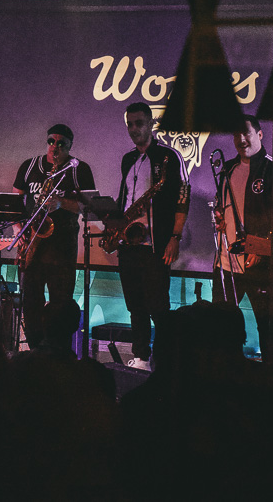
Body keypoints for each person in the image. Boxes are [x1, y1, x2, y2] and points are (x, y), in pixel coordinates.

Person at [112, 102, 190, 370]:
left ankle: (166, 358)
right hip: (129, 243)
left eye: (138, 123)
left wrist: (175, 237)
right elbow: (125, 199)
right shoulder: (128, 159)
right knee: (135, 307)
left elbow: (183, 197)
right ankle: (141, 357)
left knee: (158, 307)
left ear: (151, 124)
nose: (133, 129)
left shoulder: (168, 156)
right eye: (129, 124)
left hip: (155, 246)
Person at [13, 123, 95, 350]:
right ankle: (34, 349)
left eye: (61, 144)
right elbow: (15, 201)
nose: (55, 147)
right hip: (32, 245)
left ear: (70, 146)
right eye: (51, 141)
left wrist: (61, 203)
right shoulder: (30, 166)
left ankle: (59, 352)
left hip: (62, 247)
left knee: (61, 303)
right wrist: (18, 231)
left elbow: (88, 207)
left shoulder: (79, 169)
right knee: (31, 303)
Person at [212, 114, 273, 360]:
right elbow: (223, 204)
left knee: (268, 327)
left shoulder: (272, 168)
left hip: (259, 264)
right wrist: (219, 216)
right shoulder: (227, 168)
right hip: (226, 263)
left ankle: (272, 378)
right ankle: (226, 373)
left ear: (259, 134)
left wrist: (261, 248)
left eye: (246, 133)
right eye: (236, 135)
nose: (241, 139)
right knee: (221, 326)